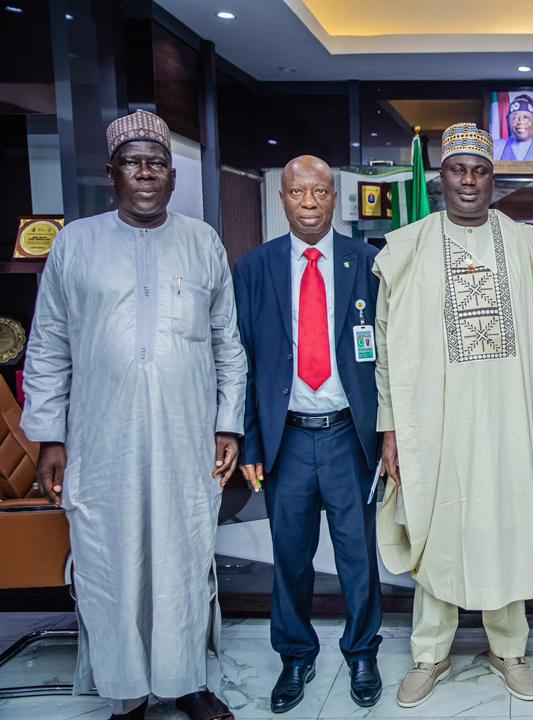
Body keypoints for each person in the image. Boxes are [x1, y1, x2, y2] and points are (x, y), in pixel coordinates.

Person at [20, 110, 246, 720]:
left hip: (185, 436)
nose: (145, 173)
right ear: (111, 173)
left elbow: (227, 343)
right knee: (109, 561)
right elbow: (48, 344)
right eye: (132, 162)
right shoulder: (75, 243)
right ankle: (126, 692)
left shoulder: (202, 242)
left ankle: (185, 681)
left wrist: (228, 422)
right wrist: (49, 437)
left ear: (172, 176)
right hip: (101, 439)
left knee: (183, 557)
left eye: (157, 164)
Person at [374, 122, 533, 707]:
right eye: (458, 169)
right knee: (438, 527)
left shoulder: (528, 246)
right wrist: (389, 426)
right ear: (441, 177)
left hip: (509, 417)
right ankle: (429, 654)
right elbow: (385, 346)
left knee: (506, 525)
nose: (468, 180)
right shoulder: (407, 248)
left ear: (493, 179)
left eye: (479, 171)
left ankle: (509, 650)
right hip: (433, 421)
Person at [233, 155, 383, 712]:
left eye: (320, 192)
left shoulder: (367, 262)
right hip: (288, 438)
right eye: (298, 193)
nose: (310, 203)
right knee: (290, 557)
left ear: (335, 196)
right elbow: (243, 361)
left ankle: (361, 651)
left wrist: (387, 436)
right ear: (282, 198)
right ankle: (295, 655)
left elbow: (388, 354)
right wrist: (250, 442)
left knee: (357, 556)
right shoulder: (255, 268)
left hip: (349, 434)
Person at [493, 93, 533, 162]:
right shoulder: (495, 147)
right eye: (514, 117)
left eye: (525, 117)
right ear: (508, 122)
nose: (520, 122)